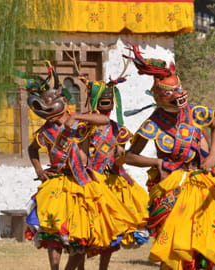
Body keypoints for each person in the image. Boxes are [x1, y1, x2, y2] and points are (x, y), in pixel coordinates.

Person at [123, 42, 215, 269]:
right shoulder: (153, 124)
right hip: (172, 185)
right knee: (176, 241)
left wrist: (212, 155)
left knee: (206, 234)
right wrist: (158, 161)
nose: (180, 95)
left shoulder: (194, 112)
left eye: (180, 89)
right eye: (172, 92)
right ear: (161, 96)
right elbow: (130, 157)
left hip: (200, 180)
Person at [21, 63, 139, 270]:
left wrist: (77, 116)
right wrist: (39, 170)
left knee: (82, 235)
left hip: (82, 183)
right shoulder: (44, 132)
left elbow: (103, 120)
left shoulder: (81, 123)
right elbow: (32, 150)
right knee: (54, 232)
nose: (46, 109)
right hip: (57, 184)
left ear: (64, 102)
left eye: (50, 103)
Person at [78, 76, 149, 270]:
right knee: (89, 227)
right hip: (93, 181)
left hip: (113, 182)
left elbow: (120, 156)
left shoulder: (119, 129)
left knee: (112, 230)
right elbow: (83, 154)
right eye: (103, 99)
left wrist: (120, 159)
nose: (107, 103)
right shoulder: (87, 128)